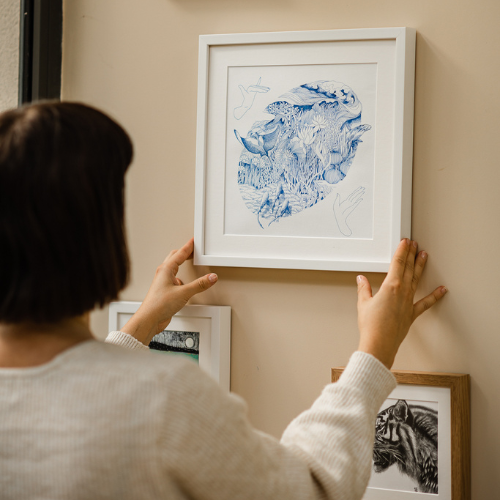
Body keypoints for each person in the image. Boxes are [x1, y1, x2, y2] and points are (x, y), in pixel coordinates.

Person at [0, 102, 446, 500]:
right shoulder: (162, 401)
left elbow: (59, 394)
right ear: (99, 237)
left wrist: (138, 329)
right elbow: (312, 489)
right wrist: (375, 350)